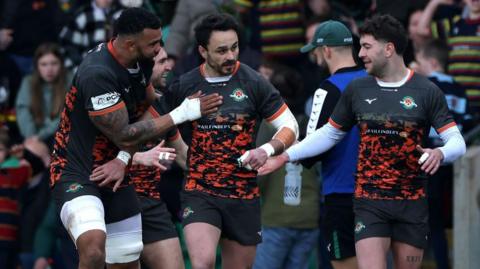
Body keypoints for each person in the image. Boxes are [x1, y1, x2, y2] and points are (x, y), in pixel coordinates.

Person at [259, 14, 466, 269]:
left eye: (367, 47)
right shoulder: (358, 88)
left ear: (389, 49)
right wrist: (282, 156)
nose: (361, 54)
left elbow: (456, 141)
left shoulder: (426, 90)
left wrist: (441, 153)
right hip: (367, 202)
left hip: (409, 201)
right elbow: (328, 134)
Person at [50, 7, 222, 269]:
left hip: (119, 178)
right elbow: (124, 133)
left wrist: (122, 158)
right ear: (130, 44)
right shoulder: (97, 74)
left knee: (127, 263)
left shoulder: (140, 62)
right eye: (153, 44)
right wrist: (182, 112)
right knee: (94, 249)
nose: (158, 49)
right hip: (77, 173)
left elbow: (149, 110)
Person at [151, 13, 299, 269]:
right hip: (200, 191)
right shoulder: (185, 84)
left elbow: (291, 126)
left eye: (235, 47)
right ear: (202, 51)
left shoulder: (254, 82)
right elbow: (156, 122)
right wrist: (176, 146)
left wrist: (265, 150)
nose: (230, 56)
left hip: (243, 193)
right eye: (221, 50)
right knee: (203, 262)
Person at [298, 20, 368, 269]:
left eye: (315, 52)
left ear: (326, 50)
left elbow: (310, 150)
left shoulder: (328, 88)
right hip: (378, 193)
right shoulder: (375, 79)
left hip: (341, 193)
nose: (315, 58)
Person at [414, 39, 472, 269]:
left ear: (432, 62)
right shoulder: (459, 88)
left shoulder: (424, 86)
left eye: (419, 61)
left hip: (428, 161)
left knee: (432, 221)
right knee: (453, 218)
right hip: (456, 164)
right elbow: (467, 125)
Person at [15, 43, 71, 147]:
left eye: (54, 63)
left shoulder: (70, 81)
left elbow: (65, 115)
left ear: (61, 64)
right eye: (44, 64)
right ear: (37, 66)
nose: (49, 69)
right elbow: (23, 112)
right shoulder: (28, 82)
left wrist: (40, 136)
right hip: (34, 137)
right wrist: (32, 137)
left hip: (63, 136)